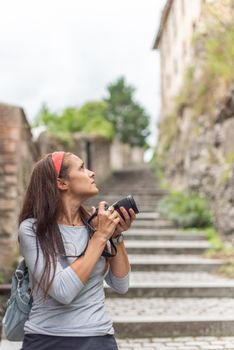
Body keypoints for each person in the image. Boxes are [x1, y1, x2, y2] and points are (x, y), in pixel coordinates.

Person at [18, 151, 136, 350]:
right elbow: (62, 291)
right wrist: (100, 237)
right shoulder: (32, 229)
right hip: (46, 340)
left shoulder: (94, 225)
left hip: (98, 338)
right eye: (82, 168)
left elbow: (121, 284)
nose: (92, 173)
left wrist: (115, 236)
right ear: (62, 183)